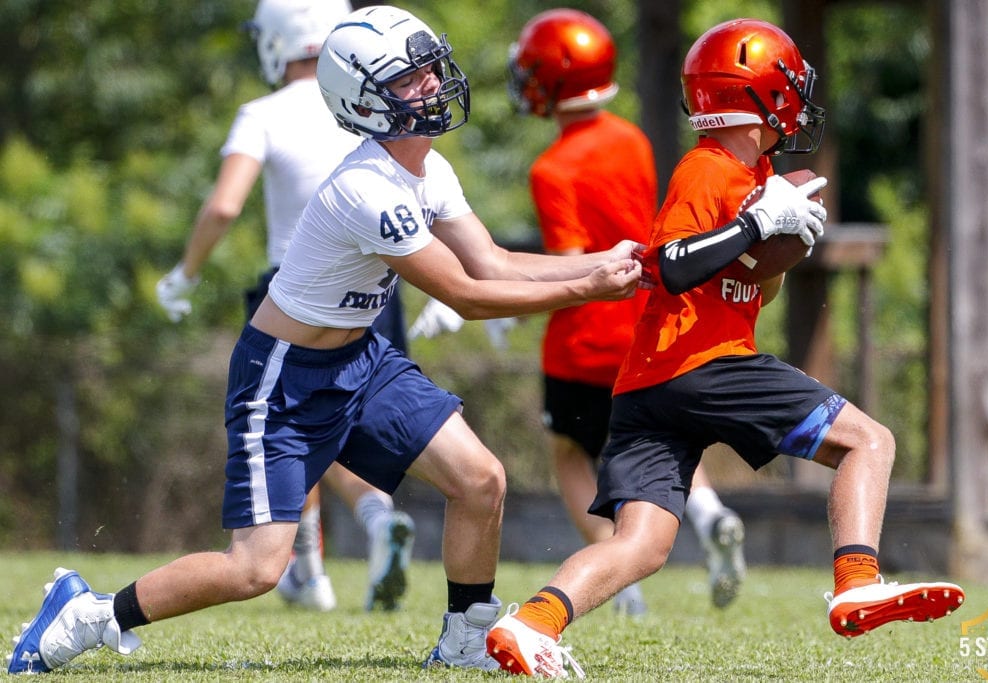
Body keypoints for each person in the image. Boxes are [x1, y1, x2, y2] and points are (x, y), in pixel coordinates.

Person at [5, 5, 653, 675]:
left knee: (481, 477)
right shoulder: (366, 189)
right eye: (409, 78)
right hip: (284, 378)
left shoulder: (429, 169)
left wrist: (608, 260)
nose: (432, 84)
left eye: (430, 68)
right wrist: (590, 285)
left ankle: (465, 633)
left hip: (361, 359)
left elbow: (490, 260)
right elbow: (465, 293)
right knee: (255, 566)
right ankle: (91, 613)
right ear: (365, 101)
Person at [486, 17, 966, 677]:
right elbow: (673, 264)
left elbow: (751, 292)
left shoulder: (759, 173)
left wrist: (781, 251)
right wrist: (754, 223)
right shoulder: (708, 169)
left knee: (643, 544)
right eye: (789, 86)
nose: (799, 101)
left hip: (646, 384)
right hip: (700, 363)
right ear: (758, 96)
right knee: (870, 441)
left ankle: (530, 621)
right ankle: (858, 579)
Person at [153, 0, 415, 614]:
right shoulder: (370, 104)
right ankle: (378, 521)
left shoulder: (263, 113)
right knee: (357, 418)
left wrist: (184, 272)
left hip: (296, 288)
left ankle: (309, 569)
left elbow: (223, 206)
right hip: (382, 279)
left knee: (295, 428)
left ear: (275, 38)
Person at [507, 8, 746, 615]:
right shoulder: (633, 139)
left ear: (553, 79)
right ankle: (711, 512)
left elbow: (570, 263)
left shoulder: (551, 167)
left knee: (569, 450)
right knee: (666, 440)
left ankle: (617, 573)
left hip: (583, 334)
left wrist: (504, 295)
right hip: (646, 322)